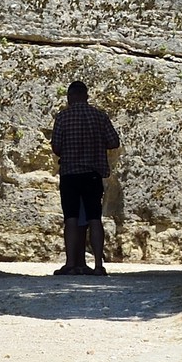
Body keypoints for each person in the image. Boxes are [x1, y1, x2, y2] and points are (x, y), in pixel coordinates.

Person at [48, 79, 120, 276]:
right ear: (86, 96)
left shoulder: (63, 117)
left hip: (70, 173)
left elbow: (56, 146)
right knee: (94, 218)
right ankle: (98, 265)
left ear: (70, 97)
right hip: (92, 174)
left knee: (71, 218)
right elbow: (114, 142)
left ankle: (71, 264)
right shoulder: (99, 116)